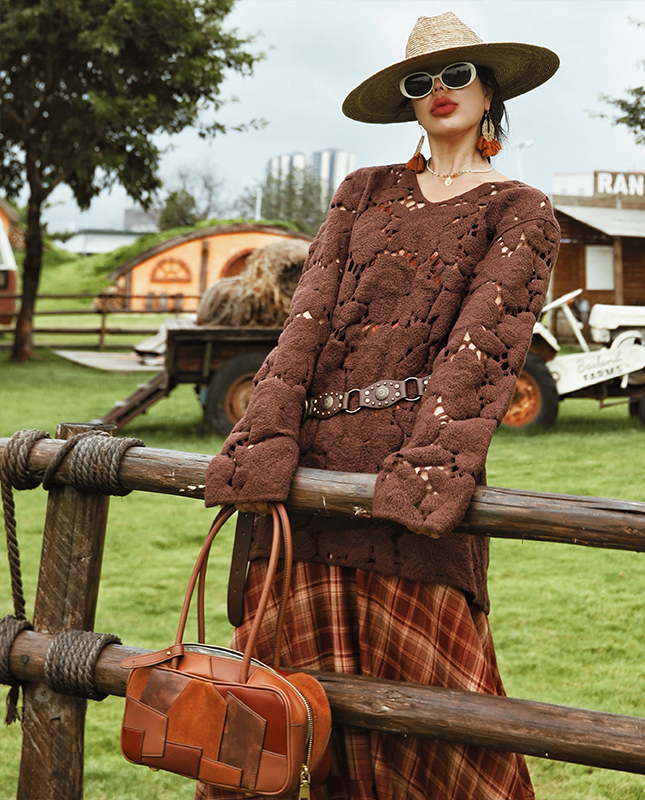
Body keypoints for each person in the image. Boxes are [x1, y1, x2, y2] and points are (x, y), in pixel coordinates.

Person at [200, 11, 560, 800]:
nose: (440, 90)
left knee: (438, 735)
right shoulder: (362, 193)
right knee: (269, 735)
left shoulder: (520, 209)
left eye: (457, 74)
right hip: (306, 491)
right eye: (421, 80)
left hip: (412, 495)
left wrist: (426, 470)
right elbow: (305, 323)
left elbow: (481, 348)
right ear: (406, 99)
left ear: (490, 90)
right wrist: (263, 442)